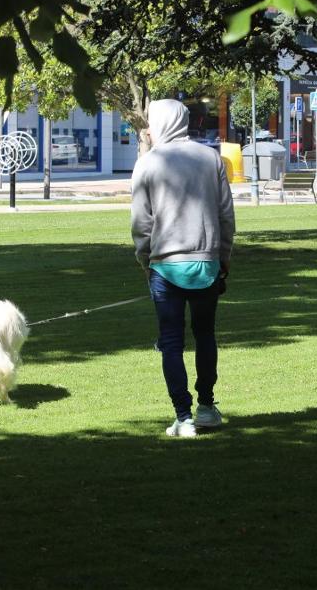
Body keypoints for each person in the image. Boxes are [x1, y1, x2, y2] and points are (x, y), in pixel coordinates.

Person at [131, 99, 236, 438]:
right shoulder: (211, 158)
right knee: (205, 335)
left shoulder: (148, 164)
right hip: (205, 261)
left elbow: (141, 223)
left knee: (171, 342)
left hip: (165, 265)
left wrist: (145, 260)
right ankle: (206, 406)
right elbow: (225, 215)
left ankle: (183, 417)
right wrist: (224, 257)